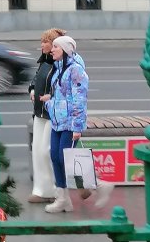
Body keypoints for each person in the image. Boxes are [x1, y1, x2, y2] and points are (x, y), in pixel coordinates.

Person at [40, 34, 112, 212]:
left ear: (65, 50)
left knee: (66, 158)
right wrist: (49, 102)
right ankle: (63, 199)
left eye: (56, 46)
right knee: (55, 157)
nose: (52, 50)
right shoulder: (59, 69)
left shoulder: (76, 70)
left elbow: (79, 100)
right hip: (58, 122)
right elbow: (61, 96)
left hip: (70, 123)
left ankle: (100, 185)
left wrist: (77, 127)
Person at [27, 27, 66, 203]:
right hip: (39, 112)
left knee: (46, 151)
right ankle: (41, 190)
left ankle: (55, 189)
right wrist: (32, 89)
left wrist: (52, 96)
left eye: (45, 42)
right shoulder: (44, 61)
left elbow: (64, 88)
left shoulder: (60, 64)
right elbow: (36, 78)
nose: (42, 45)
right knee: (37, 150)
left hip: (53, 114)